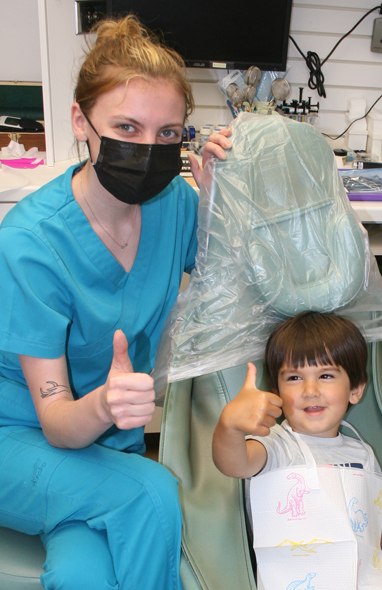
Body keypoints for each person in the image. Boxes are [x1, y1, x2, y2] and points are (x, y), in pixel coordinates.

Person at [0, 15, 230, 590]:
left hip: (105, 450)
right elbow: (55, 421)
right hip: (23, 438)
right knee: (153, 493)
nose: (147, 149)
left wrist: (230, 197)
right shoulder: (32, 241)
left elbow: (238, 283)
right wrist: (103, 405)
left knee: (84, 575)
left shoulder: (175, 202)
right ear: (81, 121)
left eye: (167, 133)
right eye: (126, 126)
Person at [213, 311, 382, 590]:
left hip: (360, 576)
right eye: (293, 378)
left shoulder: (361, 453)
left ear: (355, 389)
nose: (310, 390)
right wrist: (229, 427)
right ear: (275, 391)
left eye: (326, 375)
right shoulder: (275, 445)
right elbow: (233, 464)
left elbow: (379, 513)